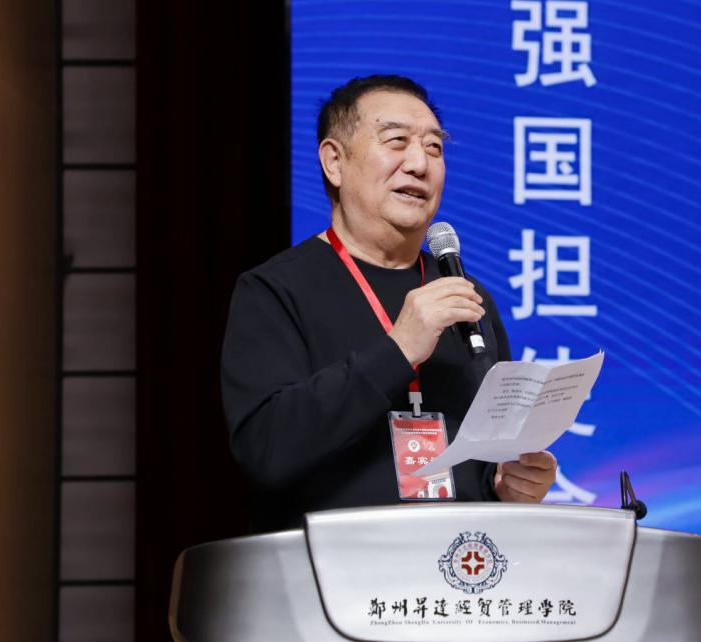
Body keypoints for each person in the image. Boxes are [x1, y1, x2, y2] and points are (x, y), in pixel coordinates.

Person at [221, 75, 557, 533]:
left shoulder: (465, 295)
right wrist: (399, 349)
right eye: (397, 141)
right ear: (334, 162)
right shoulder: (274, 290)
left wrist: (507, 484)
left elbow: (488, 457)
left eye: (434, 148)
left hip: (463, 563)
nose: (419, 164)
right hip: (333, 566)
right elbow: (266, 449)